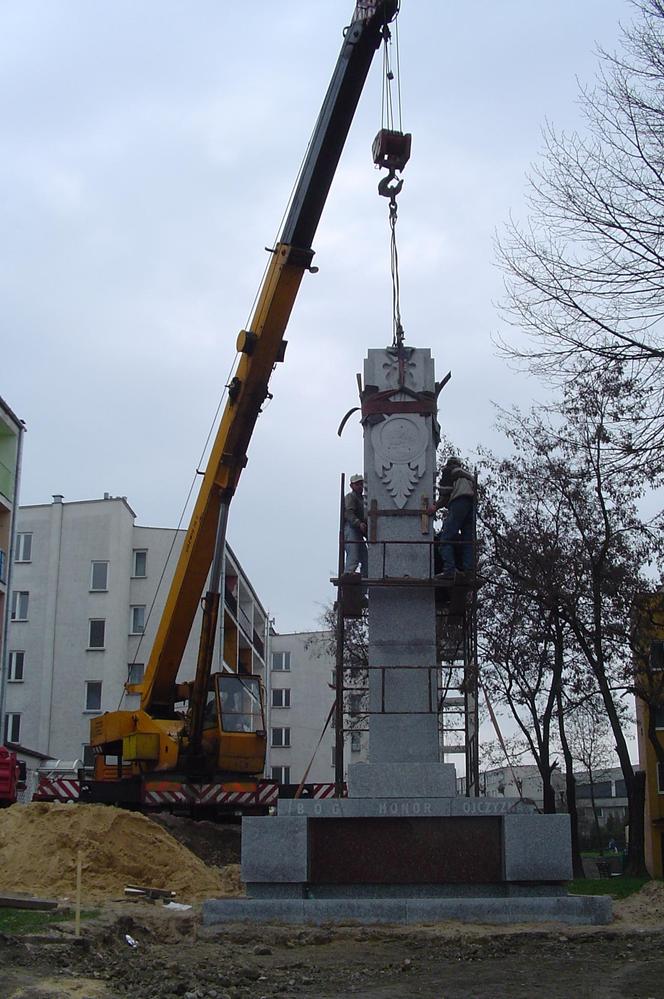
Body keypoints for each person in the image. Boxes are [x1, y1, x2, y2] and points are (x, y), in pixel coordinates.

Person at [428, 456, 475, 580]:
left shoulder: (449, 471)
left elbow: (445, 494)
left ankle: (449, 570)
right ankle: (469, 571)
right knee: (467, 540)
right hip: (471, 506)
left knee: (445, 539)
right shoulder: (467, 476)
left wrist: (435, 507)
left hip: (459, 502)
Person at [344, 473, 368, 577]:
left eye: (361, 484)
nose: (360, 486)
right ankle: (349, 575)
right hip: (351, 528)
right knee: (353, 555)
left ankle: (364, 584)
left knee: (366, 559)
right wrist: (359, 523)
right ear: (352, 486)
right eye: (357, 484)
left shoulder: (363, 499)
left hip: (358, 531)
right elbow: (349, 513)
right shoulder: (351, 496)